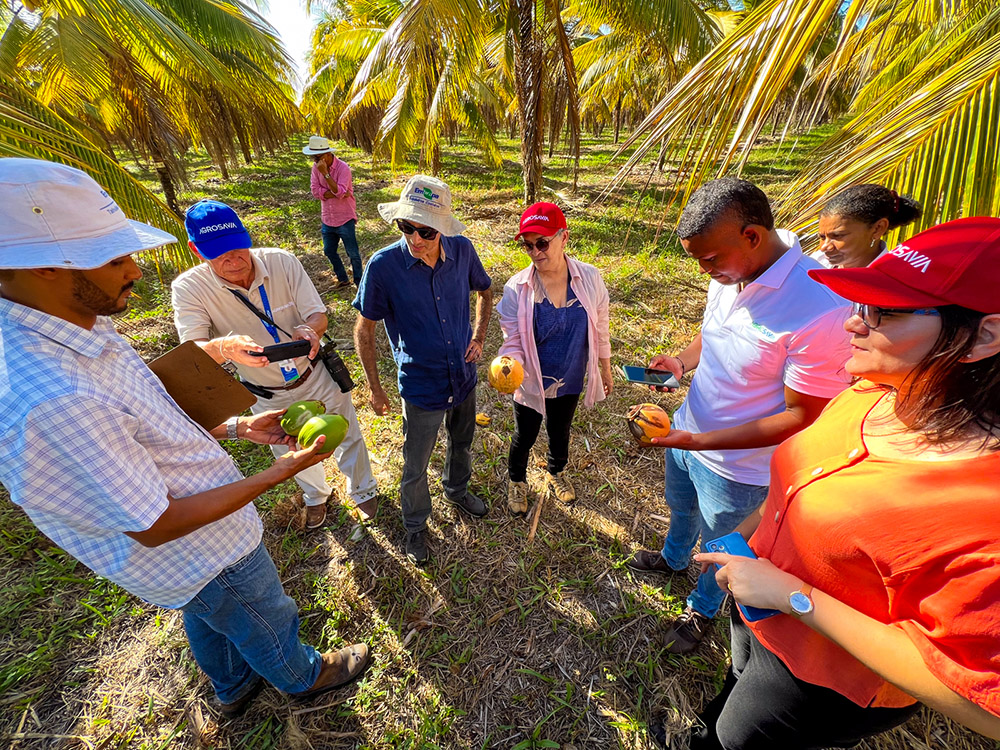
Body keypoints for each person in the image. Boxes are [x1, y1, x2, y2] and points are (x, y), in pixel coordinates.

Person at [0, 158, 371, 721]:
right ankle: (304, 675)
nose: (135, 271)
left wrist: (240, 427)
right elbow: (158, 524)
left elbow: (143, 413)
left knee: (208, 614)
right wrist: (277, 472)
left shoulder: (78, 327)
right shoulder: (54, 397)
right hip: (201, 544)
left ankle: (232, 686)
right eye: (116, 257)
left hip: (189, 564)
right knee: (263, 610)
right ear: (48, 265)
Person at [676, 216, 1000, 749]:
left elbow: (980, 702)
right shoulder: (874, 389)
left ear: (984, 335)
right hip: (757, 603)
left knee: (737, 739)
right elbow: (797, 481)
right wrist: (749, 543)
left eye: (885, 312)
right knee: (733, 690)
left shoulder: (980, 502)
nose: (854, 323)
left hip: (821, 678)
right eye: (861, 304)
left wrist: (796, 597)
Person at [626, 178, 853, 654]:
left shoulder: (820, 308)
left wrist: (696, 442)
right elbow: (713, 333)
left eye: (710, 260)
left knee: (721, 550)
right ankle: (671, 558)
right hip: (688, 434)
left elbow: (801, 417)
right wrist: (681, 364)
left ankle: (703, 607)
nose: (707, 272)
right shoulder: (731, 270)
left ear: (752, 236)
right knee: (680, 509)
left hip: (738, 470)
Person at [172, 200, 378, 529]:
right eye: (219, 253)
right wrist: (224, 346)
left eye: (238, 247)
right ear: (197, 250)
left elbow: (317, 314)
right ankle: (316, 496)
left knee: (346, 431)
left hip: (315, 375)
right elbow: (193, 353)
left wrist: (309, 329)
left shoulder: (281, 262)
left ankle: (364, 489)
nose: (234, 259)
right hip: (266, 391)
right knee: (290, 447)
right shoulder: (189, 288)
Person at [353, 175, 492, 565]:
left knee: (461, 442)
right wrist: (375, 389)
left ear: (443, 229)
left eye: (425, 230)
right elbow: (365, 327)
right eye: (406, 226)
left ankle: (457, 490)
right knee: (415, 465)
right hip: (420, 384)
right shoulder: (383, 266)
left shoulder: (462, 250)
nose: (415, 238)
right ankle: (415, 526)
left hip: (462, 377)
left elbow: (485, 289)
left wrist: (478, 337)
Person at [496, 202, 612, 515]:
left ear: (564, 238)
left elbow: (600, 325)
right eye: (528, 245)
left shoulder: (589, 278)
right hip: (532, 378)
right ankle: (517, 479)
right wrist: (508, 365)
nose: (535, 252)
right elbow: (513, 340)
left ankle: (556, 471)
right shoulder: (517, 288)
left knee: (560, 430)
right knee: (525, 433)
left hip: (571, 374)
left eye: (543, 243)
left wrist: (605, 368)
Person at [813, 184, 922, 268]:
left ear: (877, 229)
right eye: (822, 237)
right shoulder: (815, 263)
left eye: (838, 236)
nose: (824, 247)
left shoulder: (893, 285)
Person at [303, 135, 363, 288]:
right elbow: (316, 192)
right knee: (329, 251)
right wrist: (335, 192)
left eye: (318, 157)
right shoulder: (315, 169)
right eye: (314, 159)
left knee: (353, 254)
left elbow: (341, 192)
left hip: (345, 217)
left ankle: (359, 283)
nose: (316, 162)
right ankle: (343, 279)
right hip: (327, 218)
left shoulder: (343, 168)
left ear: (328, 154)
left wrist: (326, 176)